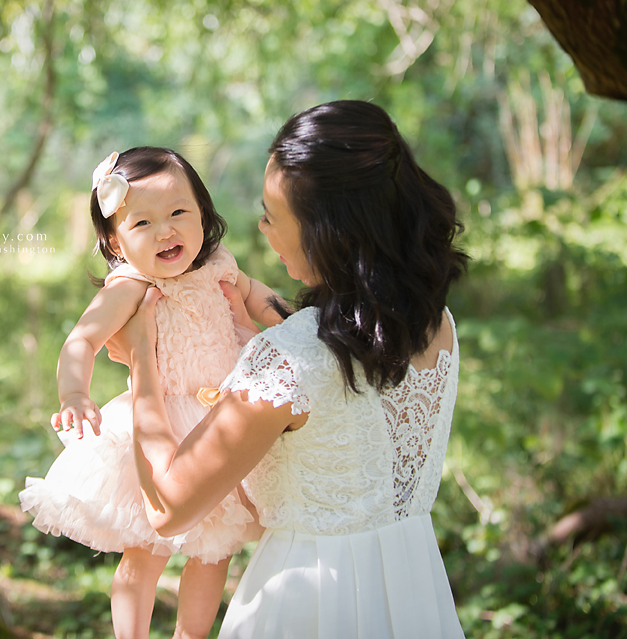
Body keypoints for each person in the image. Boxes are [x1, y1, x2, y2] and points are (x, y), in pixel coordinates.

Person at [110, 101, 470, 638]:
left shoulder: (289, 358)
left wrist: (142, 357)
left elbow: (168, 508)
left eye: (273, 216)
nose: (262, 229)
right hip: (411, 591)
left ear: (329, 232)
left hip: (308, 606)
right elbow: (338, 410)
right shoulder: (433, 323)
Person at [19, 147, 282, 639]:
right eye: (142, 223)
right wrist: (74, 392)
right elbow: (82, 340)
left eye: (179, 213)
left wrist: (302, 323)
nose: (166, 231)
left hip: (219, 425)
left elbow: (263, 300)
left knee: (214, 549)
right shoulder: (131, 286)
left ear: (204, 213)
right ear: (115, 241)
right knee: (147, 548)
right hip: (157, 423)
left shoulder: (221, 267)